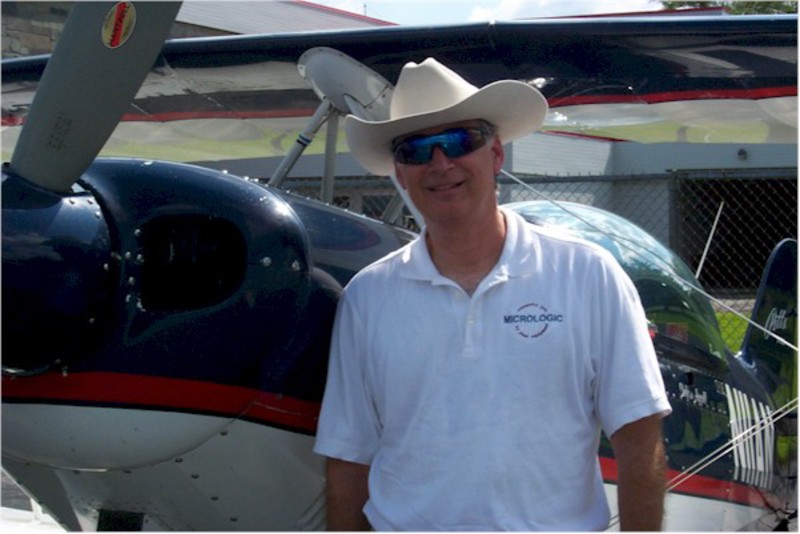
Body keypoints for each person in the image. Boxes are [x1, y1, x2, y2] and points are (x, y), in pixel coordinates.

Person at [313, 57, 672, 531]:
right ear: (400, 172)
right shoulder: (367, 297)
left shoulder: (588, 273)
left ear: (496, 154)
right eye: (415, 150)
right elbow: (348, 457)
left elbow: (639, 434)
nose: (440, 163)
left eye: (460, 141)